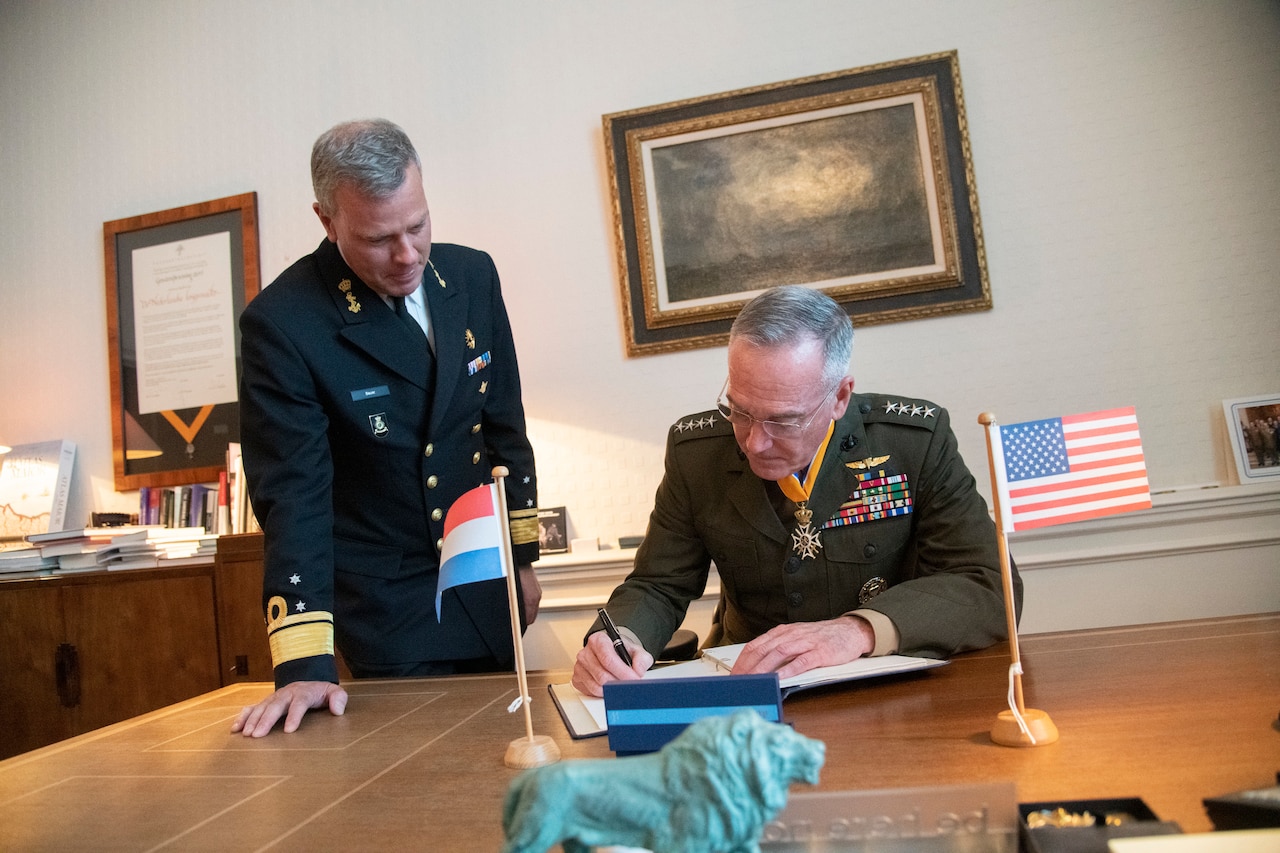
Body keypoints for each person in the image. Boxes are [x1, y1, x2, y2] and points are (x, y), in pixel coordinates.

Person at [232, 118, 541, 736]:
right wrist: (304, 665)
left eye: (418, 226)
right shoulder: (284, 322)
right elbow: (295, 498)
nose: (407, 256)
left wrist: (524, 558)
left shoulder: (473, 275)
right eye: (378, 239)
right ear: (327, 220)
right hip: (388, 602)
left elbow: (503, 425)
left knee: (506, 757)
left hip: (484, 580)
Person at [572, 285, 1018, 697]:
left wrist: (857, 630)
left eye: (783, 420)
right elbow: (658, 584)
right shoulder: (697, 454)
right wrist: (619, 639)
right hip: (749, 686)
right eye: (740, 411)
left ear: (840, 397)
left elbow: (990, 583)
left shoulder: (912, 444)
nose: (754, 442)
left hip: (887, 685)